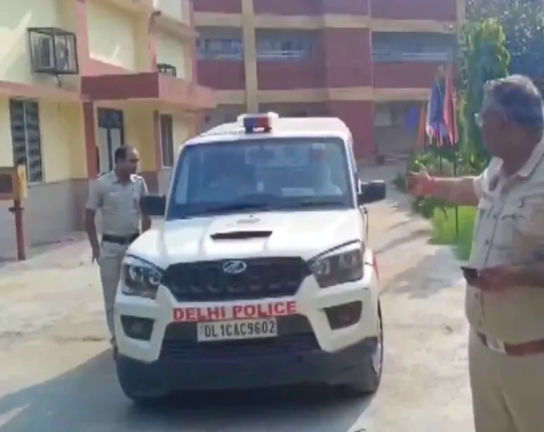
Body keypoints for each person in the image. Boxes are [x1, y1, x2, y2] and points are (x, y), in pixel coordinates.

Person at [408, 75, 544, 432]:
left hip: (533, 360)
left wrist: (518, 276)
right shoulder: (500, 166)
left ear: (505, 123)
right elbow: (473, 188)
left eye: (484, 117)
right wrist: (433, 186)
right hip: (484, 351)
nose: (479, 125)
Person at [84, 146, 151, 346]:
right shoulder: (101, 185)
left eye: (136, 161)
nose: (136, 165)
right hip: (111, 248)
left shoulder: (139, 183)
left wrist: (145, 241)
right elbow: (88, 216)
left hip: (134, 246)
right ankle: (117, 337)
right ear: (119, 161)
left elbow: (146, 213)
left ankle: (137, 332)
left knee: (139, 292)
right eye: (132, 161)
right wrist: (95, 247)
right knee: (112, 295)